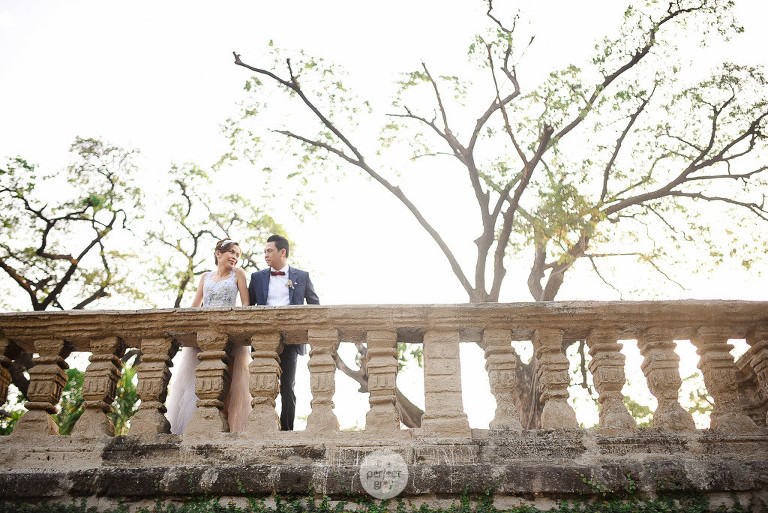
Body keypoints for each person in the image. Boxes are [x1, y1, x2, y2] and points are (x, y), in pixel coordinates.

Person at [165, 239, 252, 434]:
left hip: (230, 336)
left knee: (227, 382)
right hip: (203, 335)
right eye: (231, 252)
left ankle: (224, 428)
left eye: (237, 255)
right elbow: (195, 305)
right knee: (197, 382)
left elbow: (246, 306)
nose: (234, 257)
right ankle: (194, 427)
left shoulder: (238, 274)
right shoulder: (205, 277)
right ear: (218, 253)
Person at [248, 234, 319, 430]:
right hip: (263, 341)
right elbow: (248, 309)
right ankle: (262, 426)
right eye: (264, 252)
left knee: (288, 387)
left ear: (283, 252)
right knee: (262, 386)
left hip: (291, 341)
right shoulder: (256, 278)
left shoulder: (302, 277)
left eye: (269, 251)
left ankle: (287, 429)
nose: (266, 255)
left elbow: (315, 306)